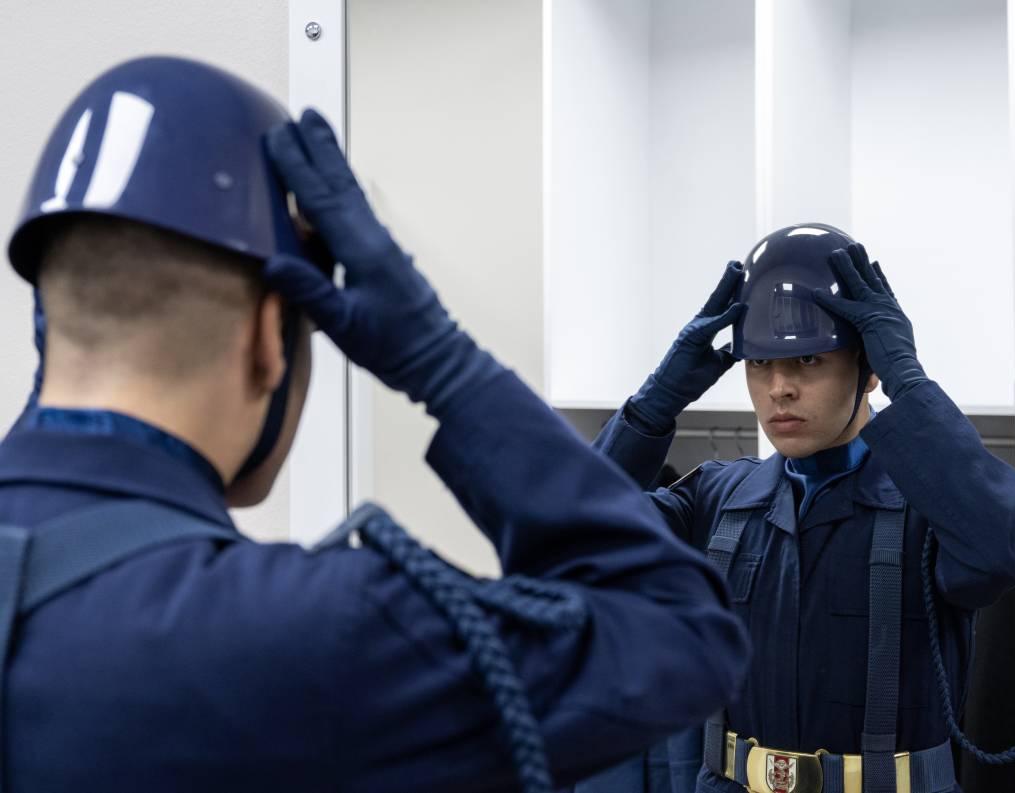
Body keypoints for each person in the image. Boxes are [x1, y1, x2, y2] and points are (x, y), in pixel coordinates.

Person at [0, 56, 751, 793]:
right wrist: (440, 360)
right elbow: (675, 633)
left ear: (49, 322)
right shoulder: (308, 633)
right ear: (270, 337)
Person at [578, 224, 1015, 793]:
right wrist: (657, 401)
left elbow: (1010, 550)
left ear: (867, 367)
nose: (779, 388)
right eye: (759, 365)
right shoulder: (716, 498)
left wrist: (908, 380)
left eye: (807, 360)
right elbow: (578, 539)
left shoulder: (933, 507)